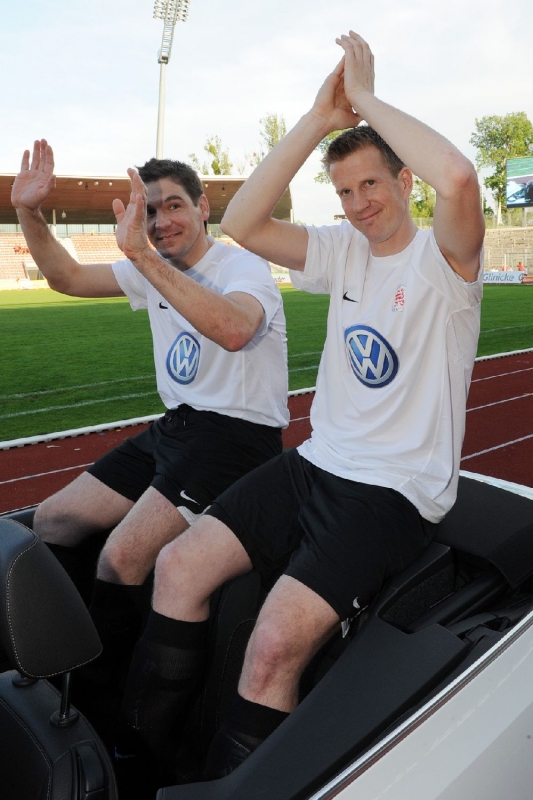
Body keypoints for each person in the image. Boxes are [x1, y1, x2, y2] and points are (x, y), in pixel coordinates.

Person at [119, 31, 485, 782]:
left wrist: (368, 100)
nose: (357, 205)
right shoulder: (341, 250)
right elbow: (243, 224)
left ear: (403, 181)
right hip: (316, 462)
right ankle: (144, 765)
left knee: (272, 646)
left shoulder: (445, 258)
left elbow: (458, 176)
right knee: (178, 566)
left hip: (392, 490)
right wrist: (320, 119)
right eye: (343, 192)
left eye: (370, 184)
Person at [10, 141, 289, 694]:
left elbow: (236, 330)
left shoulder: (242, 267)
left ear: (203, 207)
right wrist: (28, 211)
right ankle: (59, 651)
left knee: (121, 557)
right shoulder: (151, 265)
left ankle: (98, 696)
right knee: (52, 522)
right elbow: (66, 277)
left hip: (236, 435)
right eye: (151, 211)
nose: (162, 222)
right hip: (176, 427)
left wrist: (143, 257)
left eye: (174, 205)